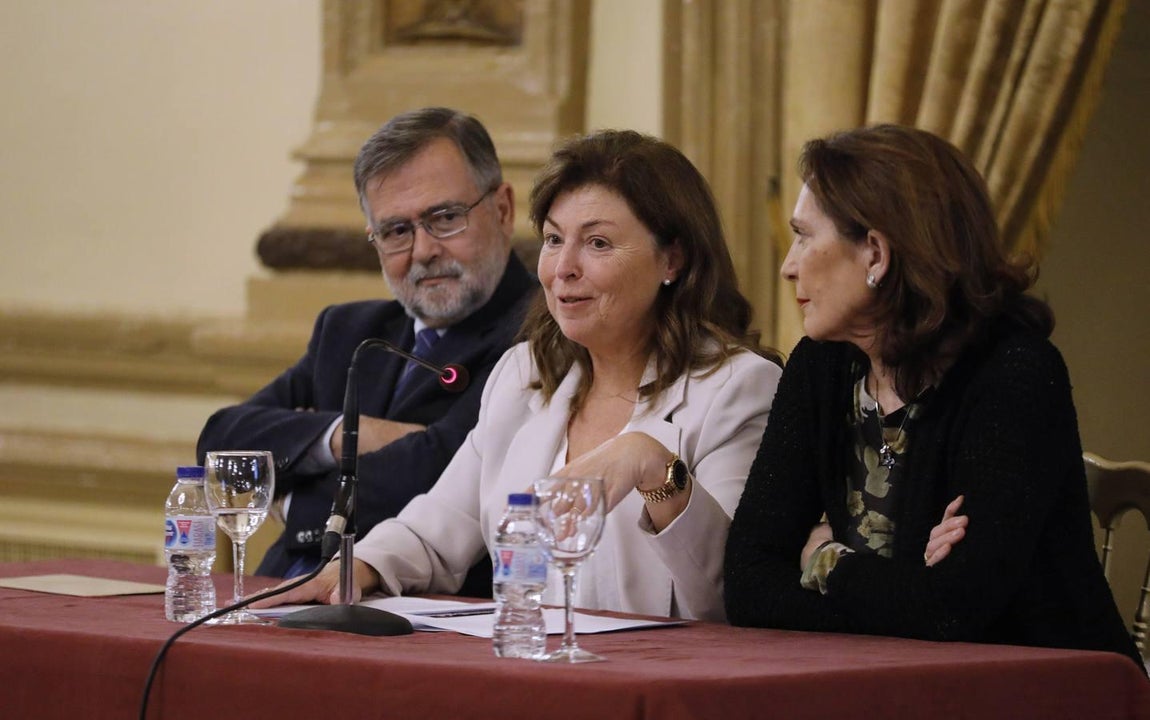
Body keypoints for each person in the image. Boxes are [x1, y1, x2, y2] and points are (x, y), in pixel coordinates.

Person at [257, 129, 783, 621]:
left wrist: (652, 466)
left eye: (597, 243)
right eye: (554, 240)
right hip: (531, 669)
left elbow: (727, 595)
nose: (564, 269)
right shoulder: (525, 373)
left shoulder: (737, 389)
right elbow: (439, 526)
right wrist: (359, 570)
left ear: (673, 259)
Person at [723, 124, 1143, 669]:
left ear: (875, 253)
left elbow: (953, 609)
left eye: (804, 237)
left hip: (1049, 688)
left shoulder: (1015, 375)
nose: (788, 265)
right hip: (886, 681)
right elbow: (749, 582)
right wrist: (904, 588)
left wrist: (823, 560)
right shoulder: (820, 366)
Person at [197, 107, 536, 583]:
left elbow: (443, 478)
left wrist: (295, 496)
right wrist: (343, 435)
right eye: (397, 231)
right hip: (279, 591)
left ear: (502, 210)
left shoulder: (541, 334)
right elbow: (221, 450)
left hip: (419, 618)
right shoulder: (346, 330)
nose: (423, 250)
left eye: (445, 218)